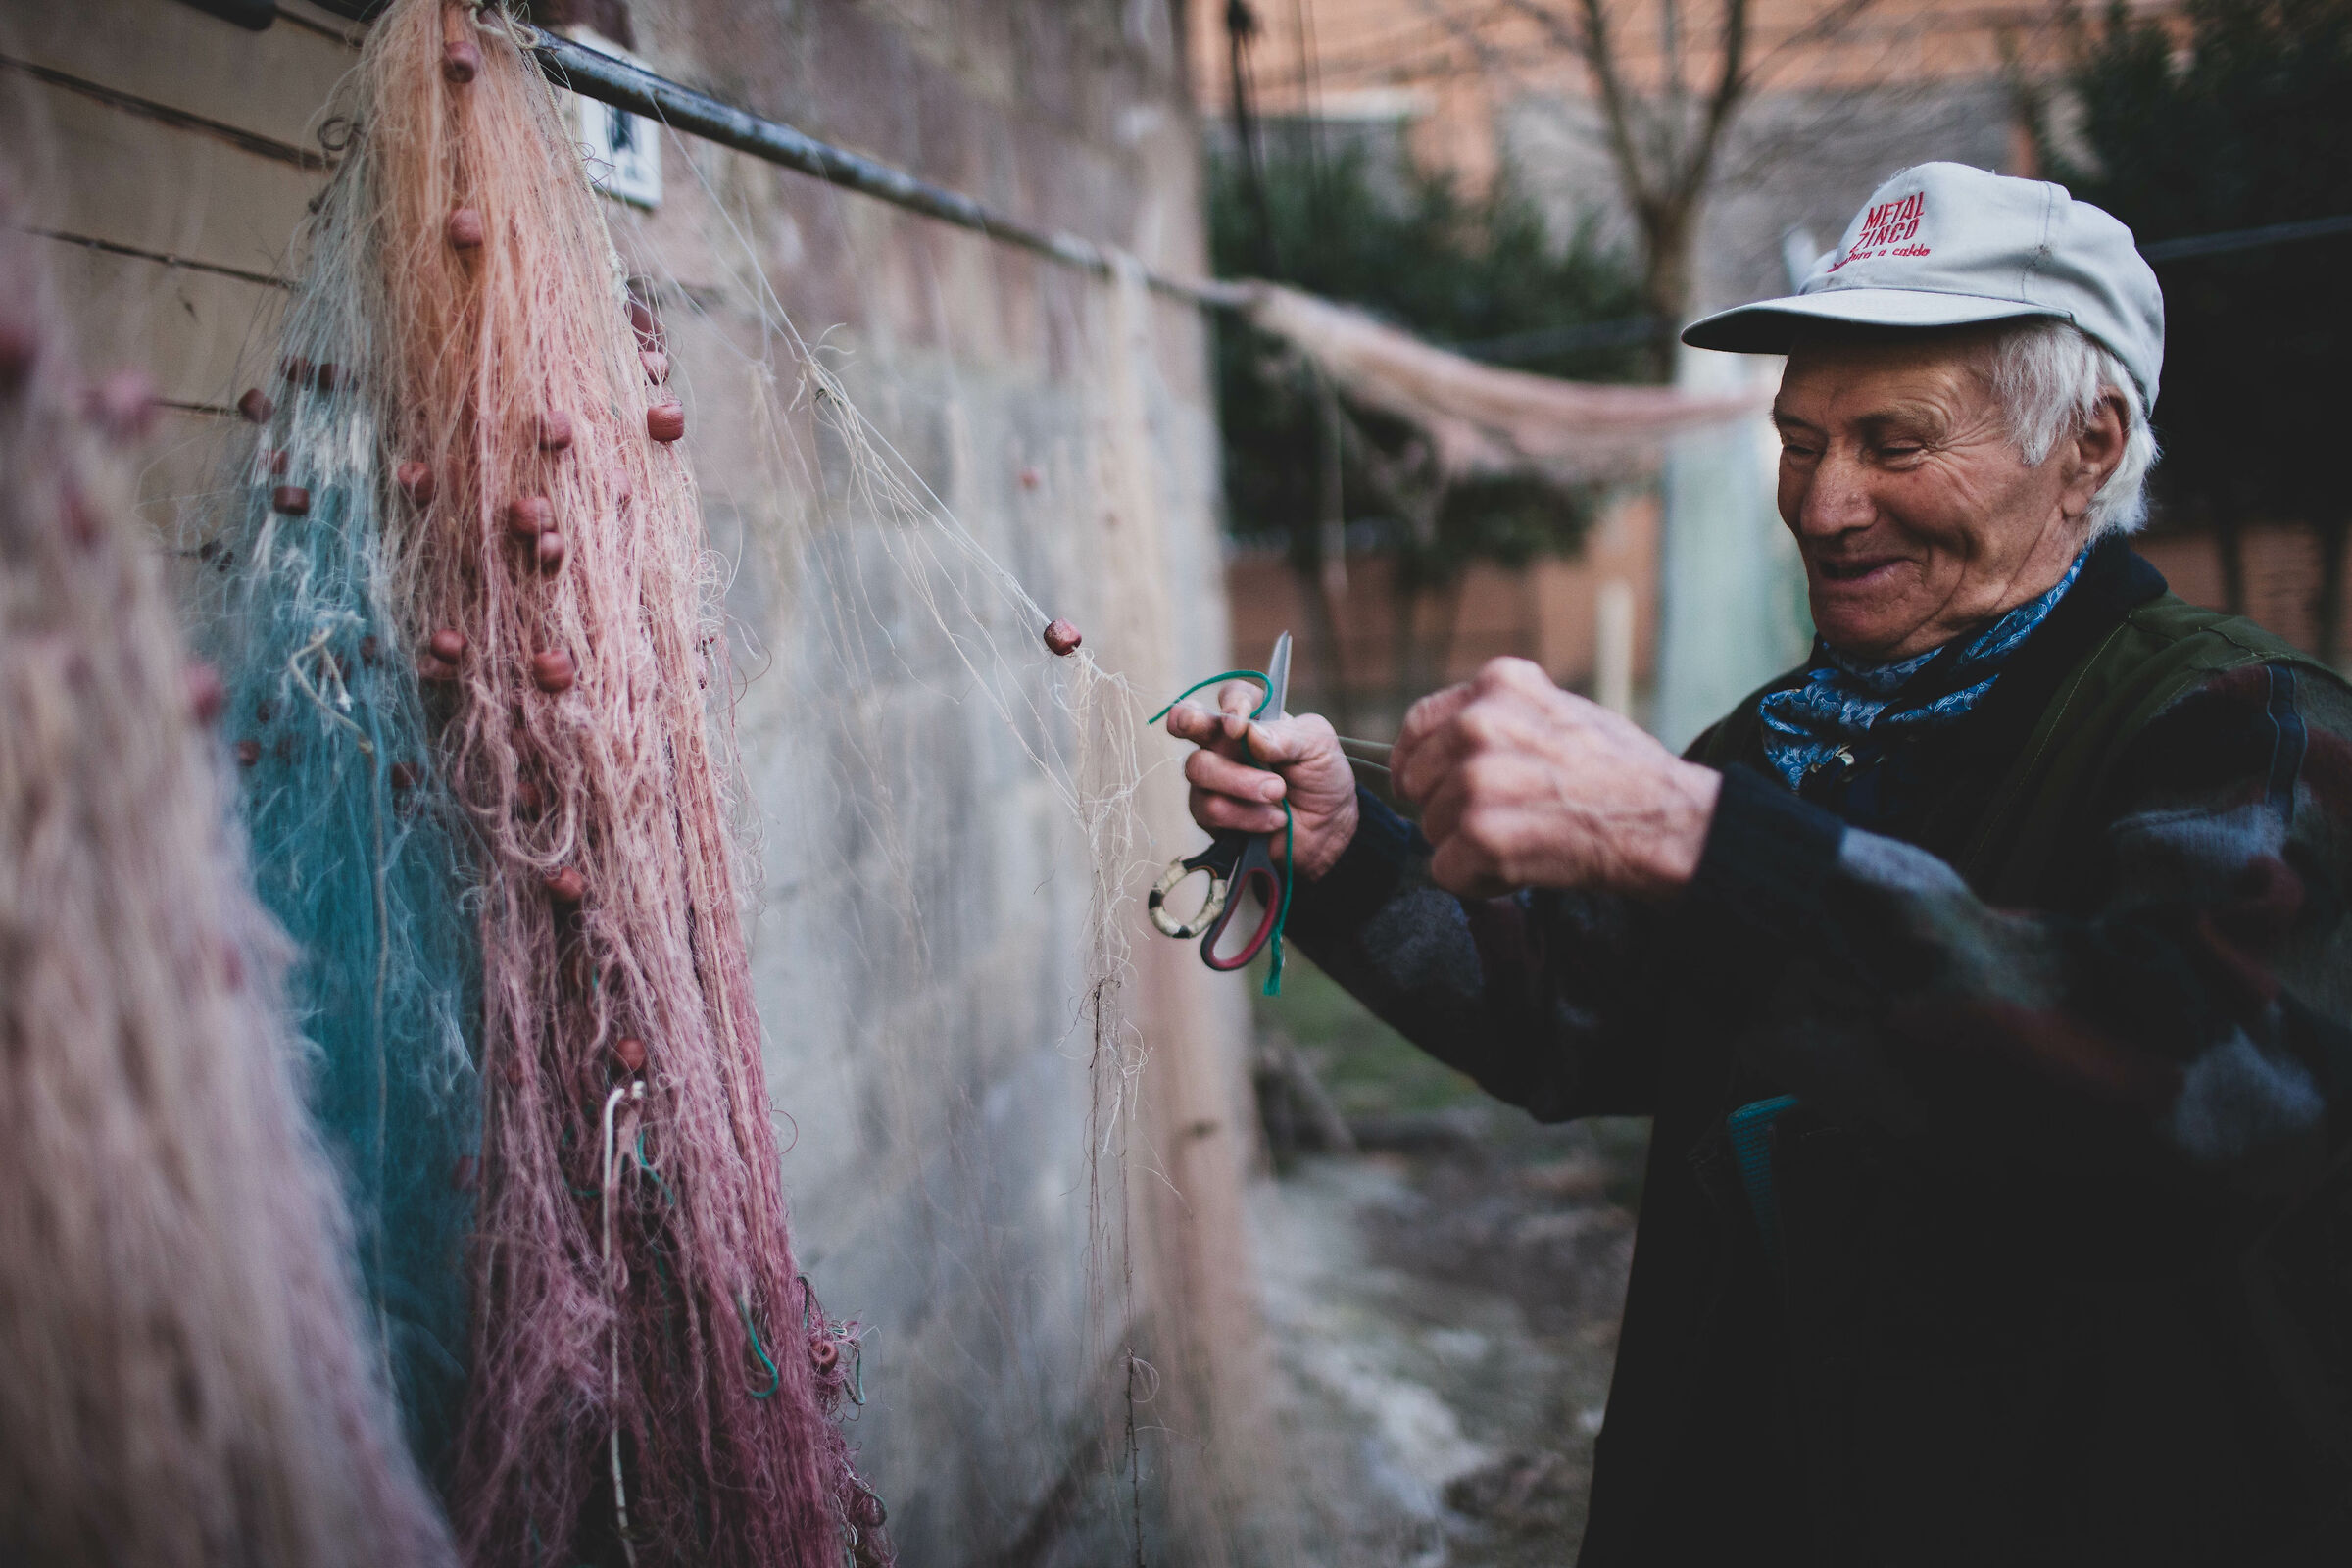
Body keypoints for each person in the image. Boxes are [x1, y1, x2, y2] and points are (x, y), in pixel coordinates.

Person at [1169, 163, 2352, 1565]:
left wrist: (1697, 839)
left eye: (1896, 443)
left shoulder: (2241, 729)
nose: (1826, 504)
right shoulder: (1783, 742)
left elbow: (2205, 1098)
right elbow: (1582, 1015)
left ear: (2089, 447)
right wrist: (1355, 854)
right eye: (1800, 440)